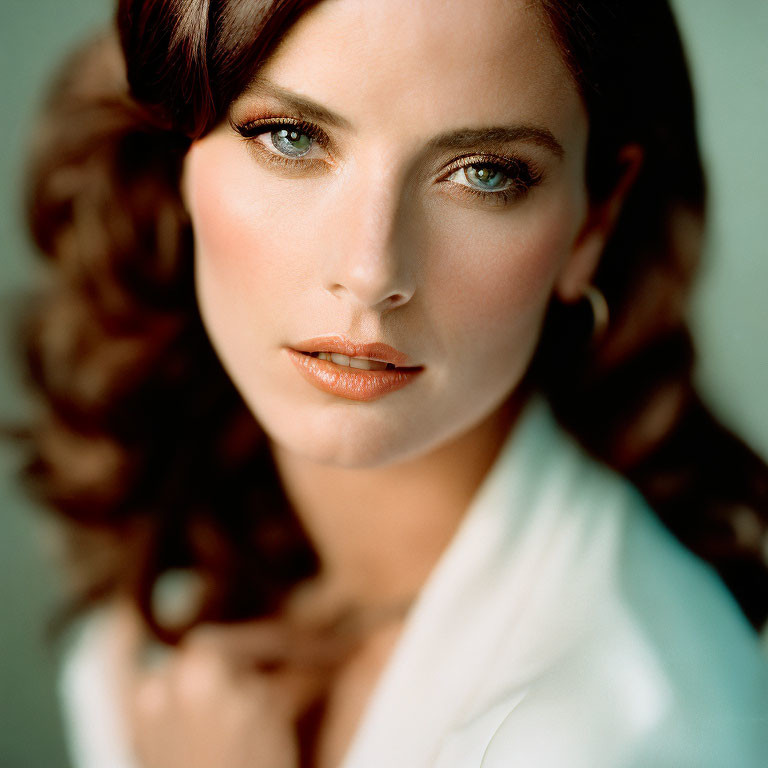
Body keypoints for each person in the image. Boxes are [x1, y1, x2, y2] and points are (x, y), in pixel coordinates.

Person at [17, 0, 768, 766]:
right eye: (291, 136)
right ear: (173, 155)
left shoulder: (629, 731)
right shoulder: (166, 597)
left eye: (485, 174)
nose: (371, 273)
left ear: (592, 222)